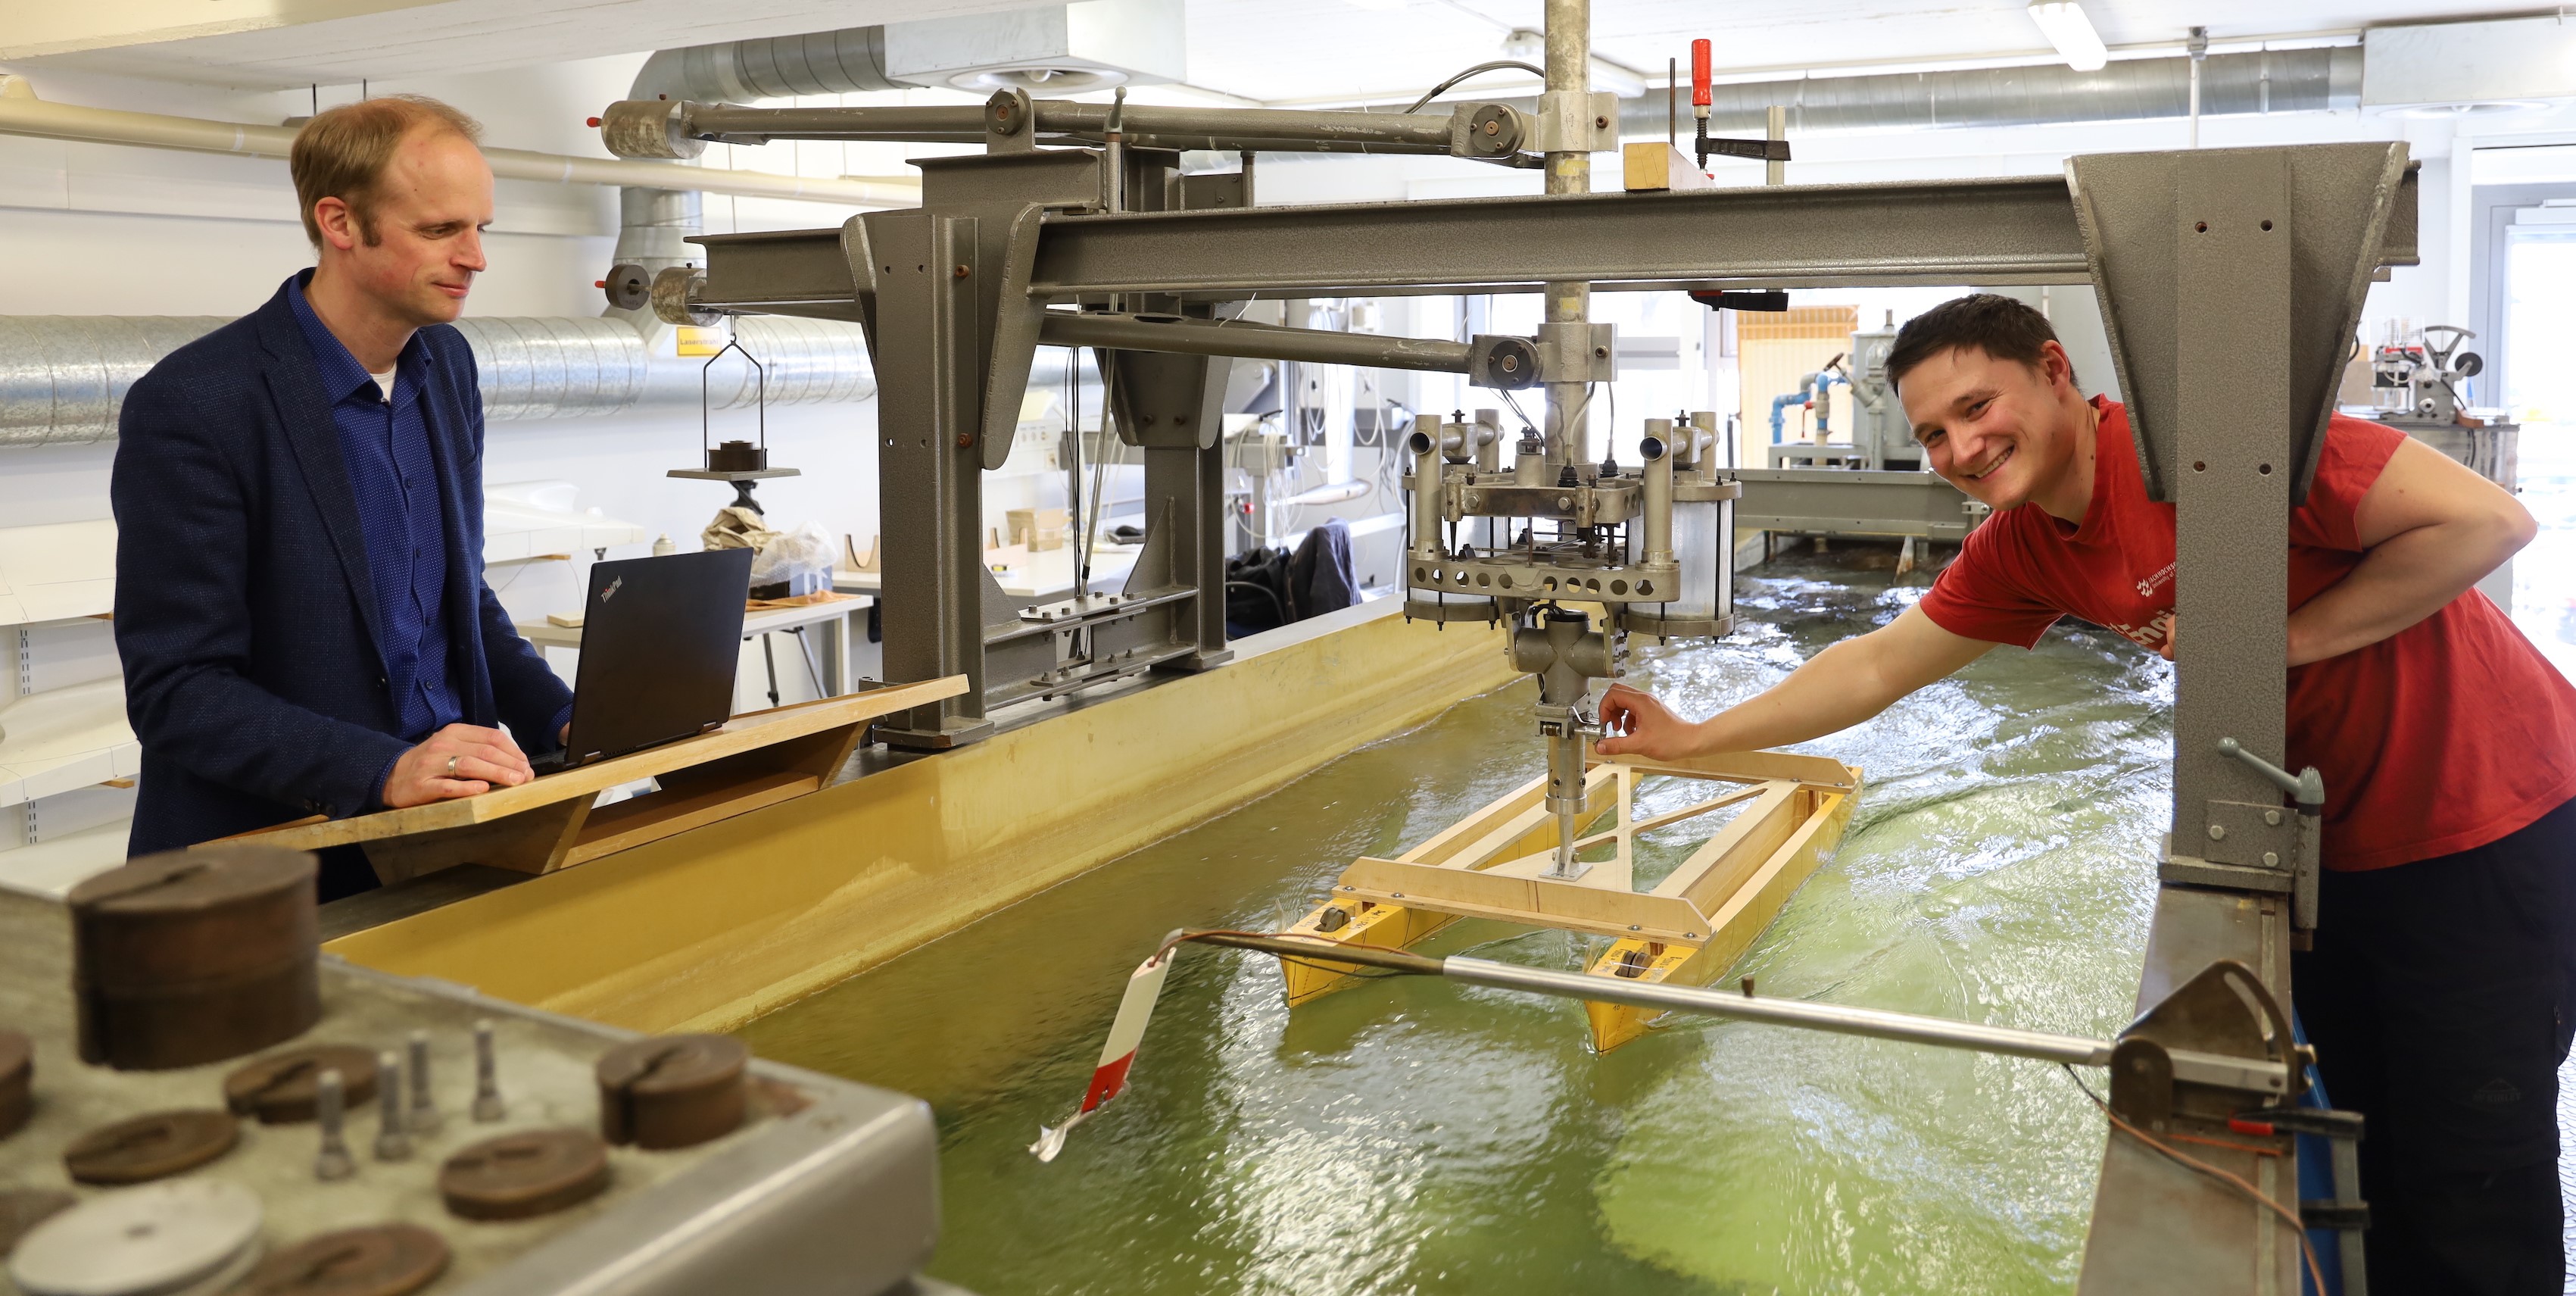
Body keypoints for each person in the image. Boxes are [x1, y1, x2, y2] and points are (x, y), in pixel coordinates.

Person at [1597, 293, 2576, 1293]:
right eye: (1933, 432)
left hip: (2487, 823)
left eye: (1979, 407)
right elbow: (1878, 662)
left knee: (2473, 1180)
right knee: (2366, 1145)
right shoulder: (2028, 542)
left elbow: (2489, 518)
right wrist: (1693, 738)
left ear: (2056, 372)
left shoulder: (2215, 455)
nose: (1961, 447)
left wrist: (2276, 639)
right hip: (2324, 849)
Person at [112, 95, 570, 901]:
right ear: (340, 222)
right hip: (267, 876)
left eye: (480, 229)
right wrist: (382, 768)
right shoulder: (199, 403)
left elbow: (455, 598)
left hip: (444, 842)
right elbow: (179, 690)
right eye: (440, 231)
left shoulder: (447, 367)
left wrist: (567, 720)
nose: (475, 257)